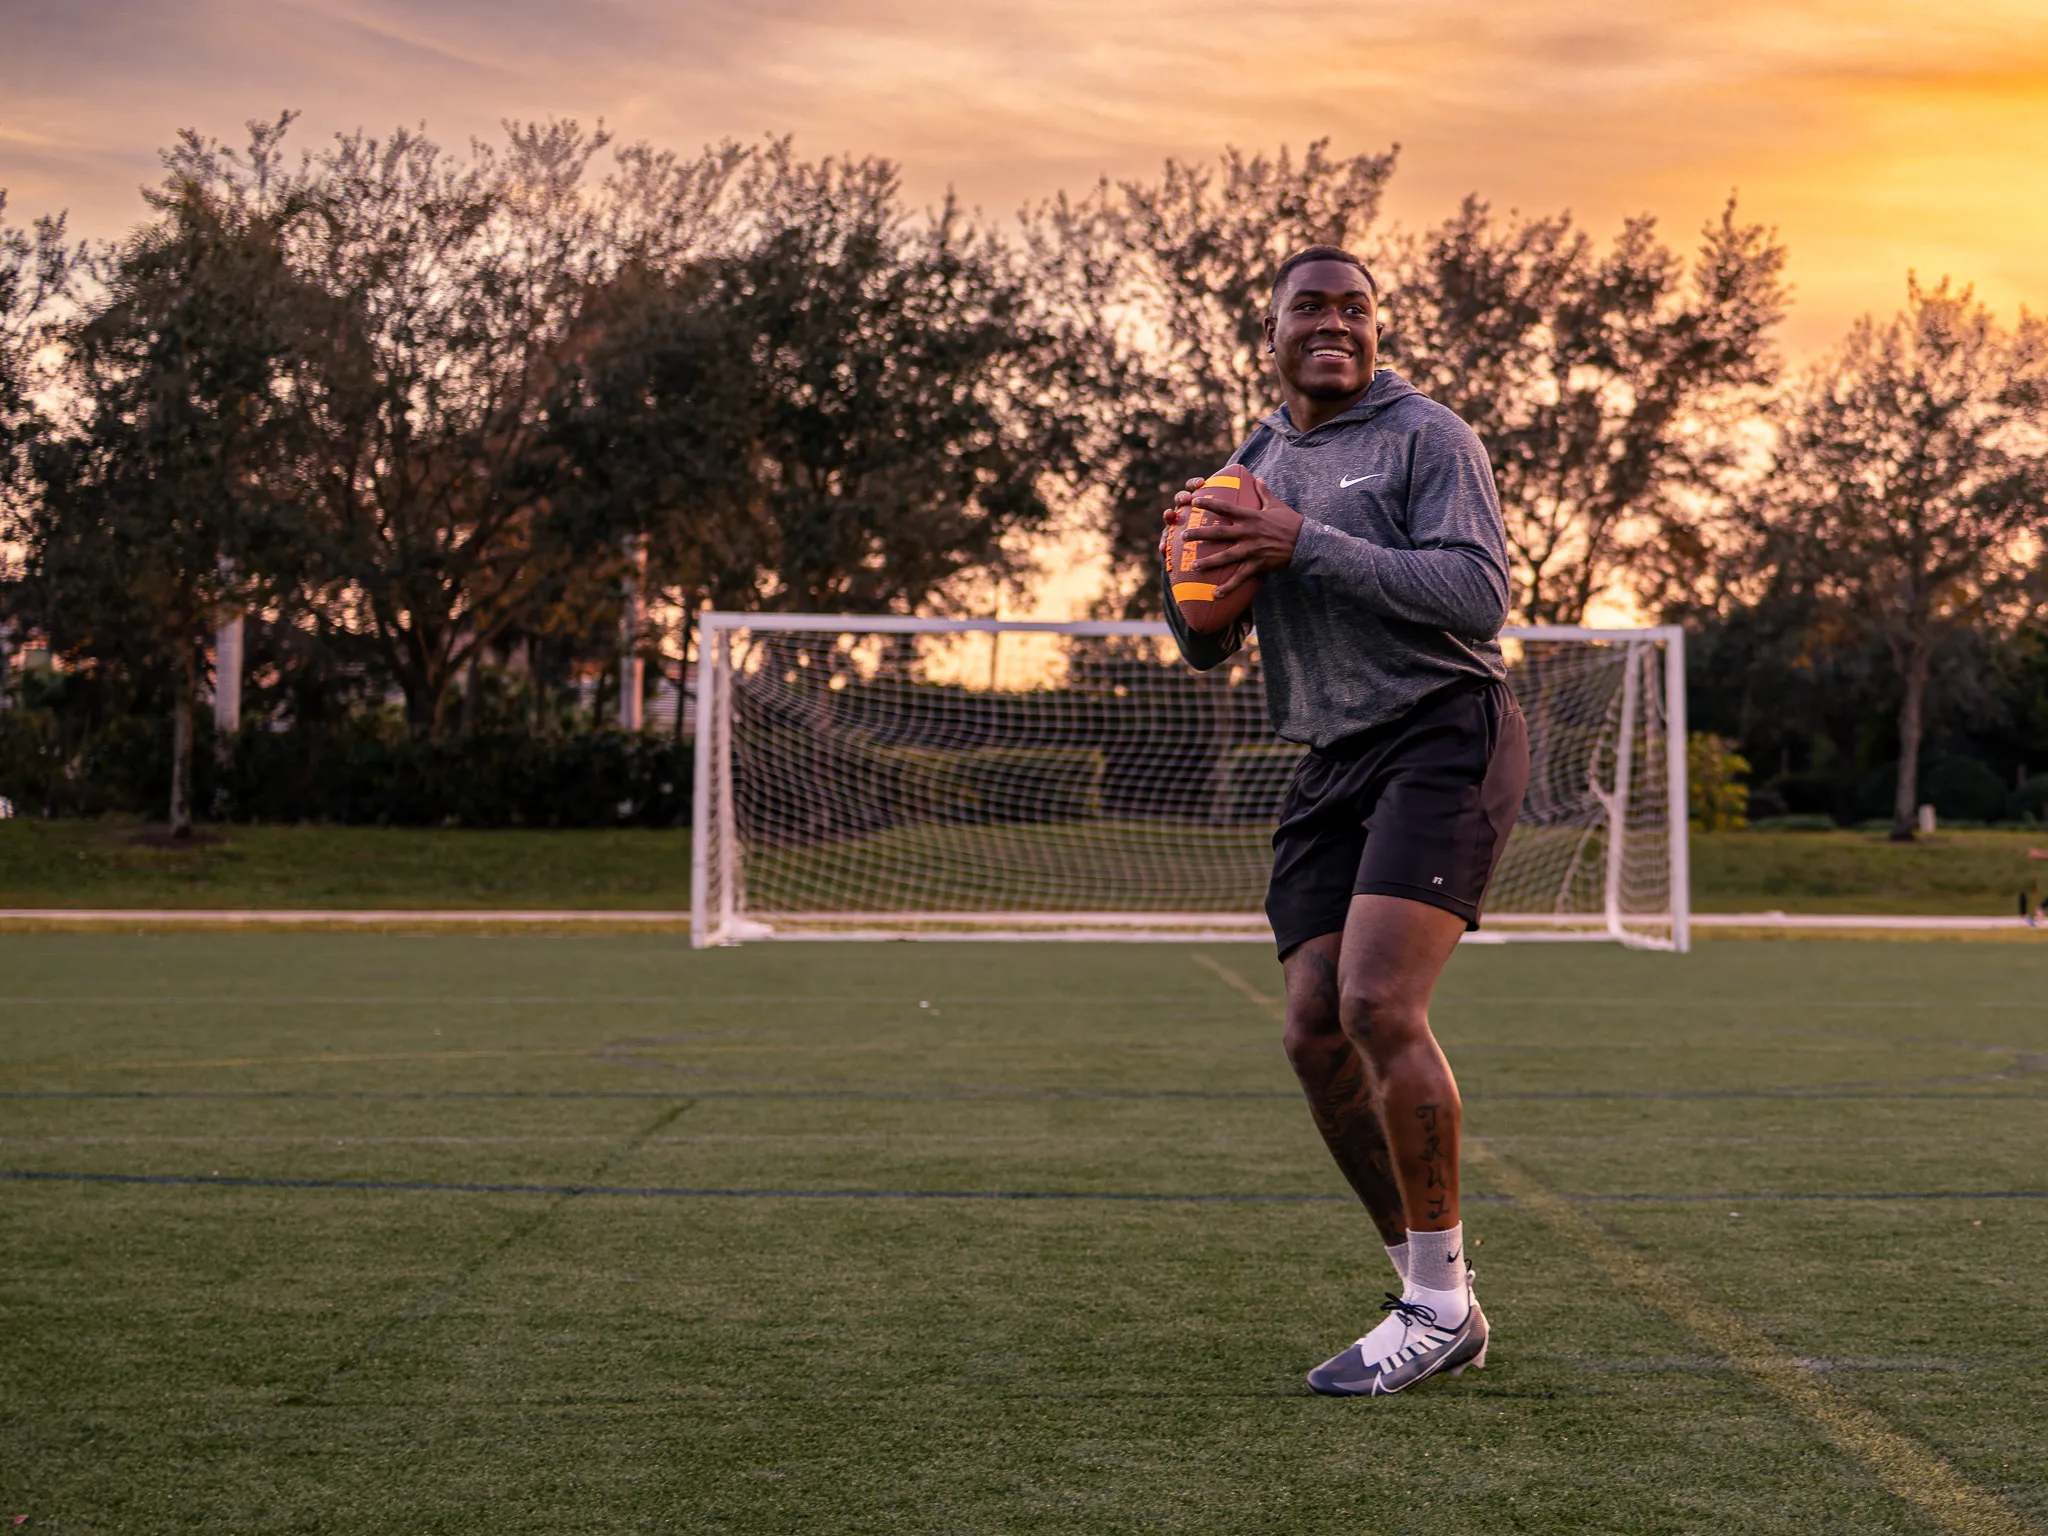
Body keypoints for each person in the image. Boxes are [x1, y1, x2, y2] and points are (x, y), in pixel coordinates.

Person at [1161, 245, 1527, 1396]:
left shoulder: (1427, 437)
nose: (1336, 325)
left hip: (1441, 729)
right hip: (1329, 756)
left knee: (1376, 1001)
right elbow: (1207, 645)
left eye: (1356, 310)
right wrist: (1189, 577)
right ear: (1267, 331)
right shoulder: (1249, 463)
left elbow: (1476, 594)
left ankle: (1428, 1306)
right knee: (1312, 1032)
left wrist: (1298, 542)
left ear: (1377, 329)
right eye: (1309, 308)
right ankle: (1437, 1296)